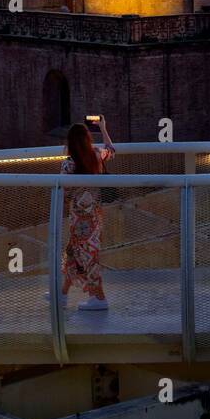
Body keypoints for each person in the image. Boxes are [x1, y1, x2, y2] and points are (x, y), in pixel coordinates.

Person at [58, 117, 116, 311]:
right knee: (74, 254)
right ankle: (62, 294)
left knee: (88, 259)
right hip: (95, 219)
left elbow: (64, 192)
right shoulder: (97, 155)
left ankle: (99, 298)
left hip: (77, 220)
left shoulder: (68, 165)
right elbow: (112, 150)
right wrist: (103, 128)